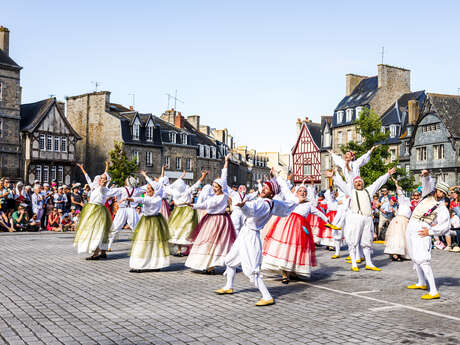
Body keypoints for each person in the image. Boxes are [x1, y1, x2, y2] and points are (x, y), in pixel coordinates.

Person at [216, 169, 297, 306]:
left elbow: (251, 210)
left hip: (251, 237)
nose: (263, 189)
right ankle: (229, 286)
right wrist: (277, 177)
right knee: (230, 260)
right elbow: (290, 202)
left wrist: (243, 207)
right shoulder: (274, 203)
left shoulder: (264, 203)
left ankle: (267, 296)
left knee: (252, 269)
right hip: (245, 234)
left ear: (271, 193)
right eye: (264, 186)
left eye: (267, 188)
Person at [262, 179, 334, 284]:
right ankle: (284, 273)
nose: (302, 193)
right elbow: (285, 188)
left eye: (304, 191)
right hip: (287, 227)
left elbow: (319, 213)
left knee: (295, 250)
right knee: (285, 249)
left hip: (300, 230)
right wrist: (278, 176)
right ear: (296, 192)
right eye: (300, 191)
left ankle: (292, 270)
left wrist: (327, 220)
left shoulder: (309, 205)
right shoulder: (292, 199)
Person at [331, 167, 396, 272]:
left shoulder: (368, 191)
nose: (358, 183)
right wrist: (334, 176)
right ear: (354, 184)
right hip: (356, 217)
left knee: (367, 241)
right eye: (356, 182)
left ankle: (369, 263)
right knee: (354, 241)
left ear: (363, 183)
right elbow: (342, 184)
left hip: (367, 218)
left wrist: (387, 175)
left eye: (360, 182)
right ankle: (354, 263)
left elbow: (378, 182)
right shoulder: (351, 191)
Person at [185, 154, 236, 273]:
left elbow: (208, 204)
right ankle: (206, 263)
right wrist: (226, 162)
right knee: (206, 240)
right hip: (211, 219)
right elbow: (224, 174)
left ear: (221, 188)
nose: (214, 188)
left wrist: (193, 205)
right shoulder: (215, 195)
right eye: (213, 186)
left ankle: (212, 265)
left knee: (214, 241)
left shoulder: (222, 197)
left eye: (216, 187)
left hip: (218, 220)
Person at [405, 170, 450, 300]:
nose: (441, 194)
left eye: (444, 193)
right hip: (412, 225)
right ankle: (421, 282)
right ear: (436, 190)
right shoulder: (427, 195)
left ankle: (434, 290)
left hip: (422, 227)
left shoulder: (441, 207)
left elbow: (445, 226)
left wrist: (430, 232)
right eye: (440, 191)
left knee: (423, 259)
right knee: (414, 256)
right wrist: (426, 175)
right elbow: (426, 183)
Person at [122, 171, 170, 273]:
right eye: (147, 189)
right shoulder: (153, 195)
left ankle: (152, 264)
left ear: (154, 191)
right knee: (145, 243)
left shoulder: (156, 199)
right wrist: (145, 176)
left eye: (148, 189)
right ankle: (142, 264)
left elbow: (143, 200)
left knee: (150, 243)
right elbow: (149, 190)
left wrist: (130, 199)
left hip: (153, 222)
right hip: (148, 220)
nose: (146, 191)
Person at [74, 162, 117, 260]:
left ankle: (97, 253)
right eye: (100, 178)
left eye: (103, 179)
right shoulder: (94, 187)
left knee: (98, 231)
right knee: (100, 231)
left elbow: (104, 180)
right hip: (92, 209)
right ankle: (102, 252)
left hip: (98, 211)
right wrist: (82, 168)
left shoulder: (104, 189)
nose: (101, 179)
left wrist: (107, 169)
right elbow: (87, 177)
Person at [166, 169, 206, 256]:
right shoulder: (186, 190)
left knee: (179, 230)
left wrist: (181, 176)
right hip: (187, 211)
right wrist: (202, 177)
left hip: (178, 211)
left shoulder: (173, 191)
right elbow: (195, 185)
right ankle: (186, 249)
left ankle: (180, 250)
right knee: (187, 230)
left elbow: (170, 186)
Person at [107, 174, 146, 251]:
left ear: (127, 182)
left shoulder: (121, 189)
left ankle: (109, 246)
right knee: (136, 228)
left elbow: (110, 192)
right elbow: (145, 188)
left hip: (122, 210)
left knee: (115, 227)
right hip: (131, 210)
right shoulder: (137, 190)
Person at [384, 178, 411, 261]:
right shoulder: (403, 200)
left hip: (406, 221)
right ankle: (395, 253)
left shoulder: (409, 203)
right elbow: (400, 193)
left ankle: (401, 254)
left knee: (404, 237)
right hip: (400, 220)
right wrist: (396, 184)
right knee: (397, 236)